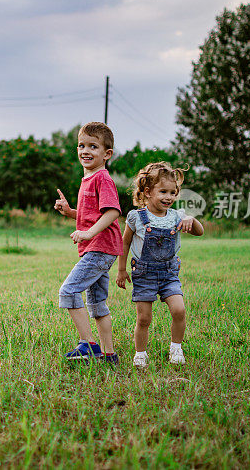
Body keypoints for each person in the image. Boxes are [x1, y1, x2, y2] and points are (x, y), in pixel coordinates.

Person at [115, 161, 204, 367]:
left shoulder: (177, 217)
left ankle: (176, 348)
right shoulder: (136, 217)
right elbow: (125, 241)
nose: (169, 197)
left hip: (169, 273)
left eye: (173, 193)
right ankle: (140, 353)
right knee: (144, 318)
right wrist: (121, 269)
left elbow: (199, 232)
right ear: (147, 192)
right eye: (163, 191)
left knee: (179, 310)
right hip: (143, 274)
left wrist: (192, 219)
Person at [54, 122, 123, 363]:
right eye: (82, 145)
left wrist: (87, 233)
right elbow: (91, 214)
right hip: (100, 247)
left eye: (93, 146)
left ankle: (88, 345)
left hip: (100, 247)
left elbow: (113, 212)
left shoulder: (102, 178)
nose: (86, 150)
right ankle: (109, 354)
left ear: (107, 154)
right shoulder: (88, 179)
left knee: (69, 291)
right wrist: (70, 212)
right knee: (96, 304)